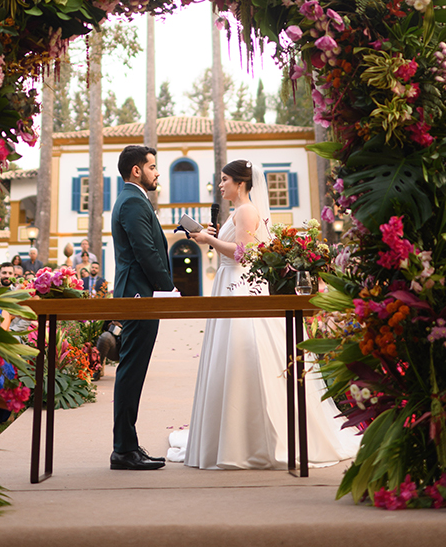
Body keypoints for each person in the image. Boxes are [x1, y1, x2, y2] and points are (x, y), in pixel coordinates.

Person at [171, 159, 360, 470]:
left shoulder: (246, 211)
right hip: (230, 281)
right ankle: (235, 433)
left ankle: (249, 439)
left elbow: (244, 253)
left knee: (244, 351)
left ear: (241, 183)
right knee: (230, 355)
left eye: (224, 180)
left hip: (241, 285)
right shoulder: (237, 212)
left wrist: (209, 240)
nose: (220, 185)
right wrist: (216, 237)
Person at [110, 144, 175, 471]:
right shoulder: (134, 201)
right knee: (131, 372)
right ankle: (123, 449)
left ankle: (128, 444)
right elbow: (146, 252)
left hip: (138, 293)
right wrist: (169, 289)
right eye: (152, 166)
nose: (157, 172)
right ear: (136, 170)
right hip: (139, 296)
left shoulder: (132, 199)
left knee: (132, 371)